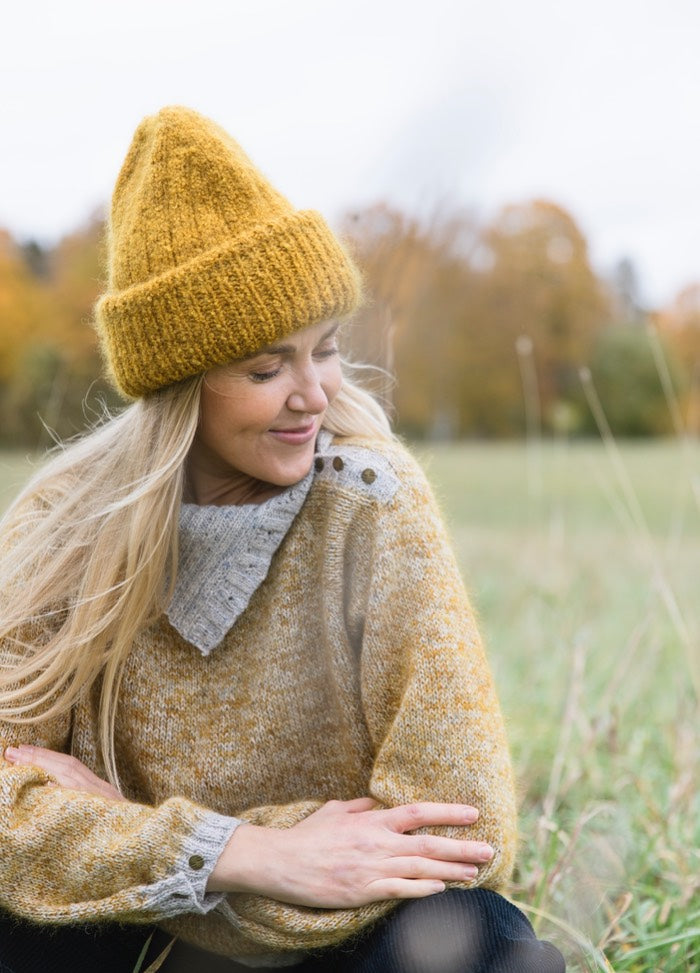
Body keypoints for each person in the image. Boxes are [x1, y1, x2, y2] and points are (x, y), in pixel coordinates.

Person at [0, 107, 565, 973]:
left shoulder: (374, 505)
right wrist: (234, 852)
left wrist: (117, 826)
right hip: (138, 934)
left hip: (333, 940)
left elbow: (462, 830)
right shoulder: (65, 526)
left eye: (326, 351)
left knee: (486, 946)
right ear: (180, 389)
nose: (312, 394)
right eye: (266, 369)